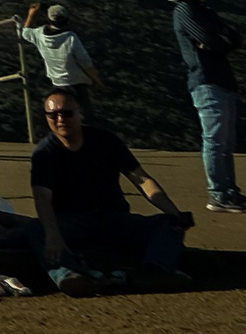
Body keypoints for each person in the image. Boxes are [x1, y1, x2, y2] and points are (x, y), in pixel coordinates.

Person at [26, 87, 194, 291]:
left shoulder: (105, 141)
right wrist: (53, 234)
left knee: (169, 225)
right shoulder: (44, 154)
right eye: (53, 114)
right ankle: (69, 275)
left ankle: (156, 272)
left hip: (114, 218)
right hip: (74, 222)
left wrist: (173, 212)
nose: (60, 119)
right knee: (36, 229)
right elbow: (42, 198)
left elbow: (142, 180)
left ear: (80, 113)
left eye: (67, 113)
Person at [170, 0, 246, 215]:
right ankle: (219, 194)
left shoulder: (203, 11)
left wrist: (218, 41)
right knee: (216, 141)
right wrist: (219, 40)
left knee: (224, 142)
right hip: (207, 82)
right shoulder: (184, 10)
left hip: (220, 81)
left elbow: (232, 38)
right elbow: (216, 39)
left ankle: (229, 192)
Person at [17, 3, 105, 105]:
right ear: (66, 19)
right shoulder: (71, 38)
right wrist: (99, 82)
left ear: (49, 19)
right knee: (82, 116)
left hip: (57, 84)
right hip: (77, 85)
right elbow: (85, 63)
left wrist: (31, 15)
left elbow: (25, 32)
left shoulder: (39, 34)